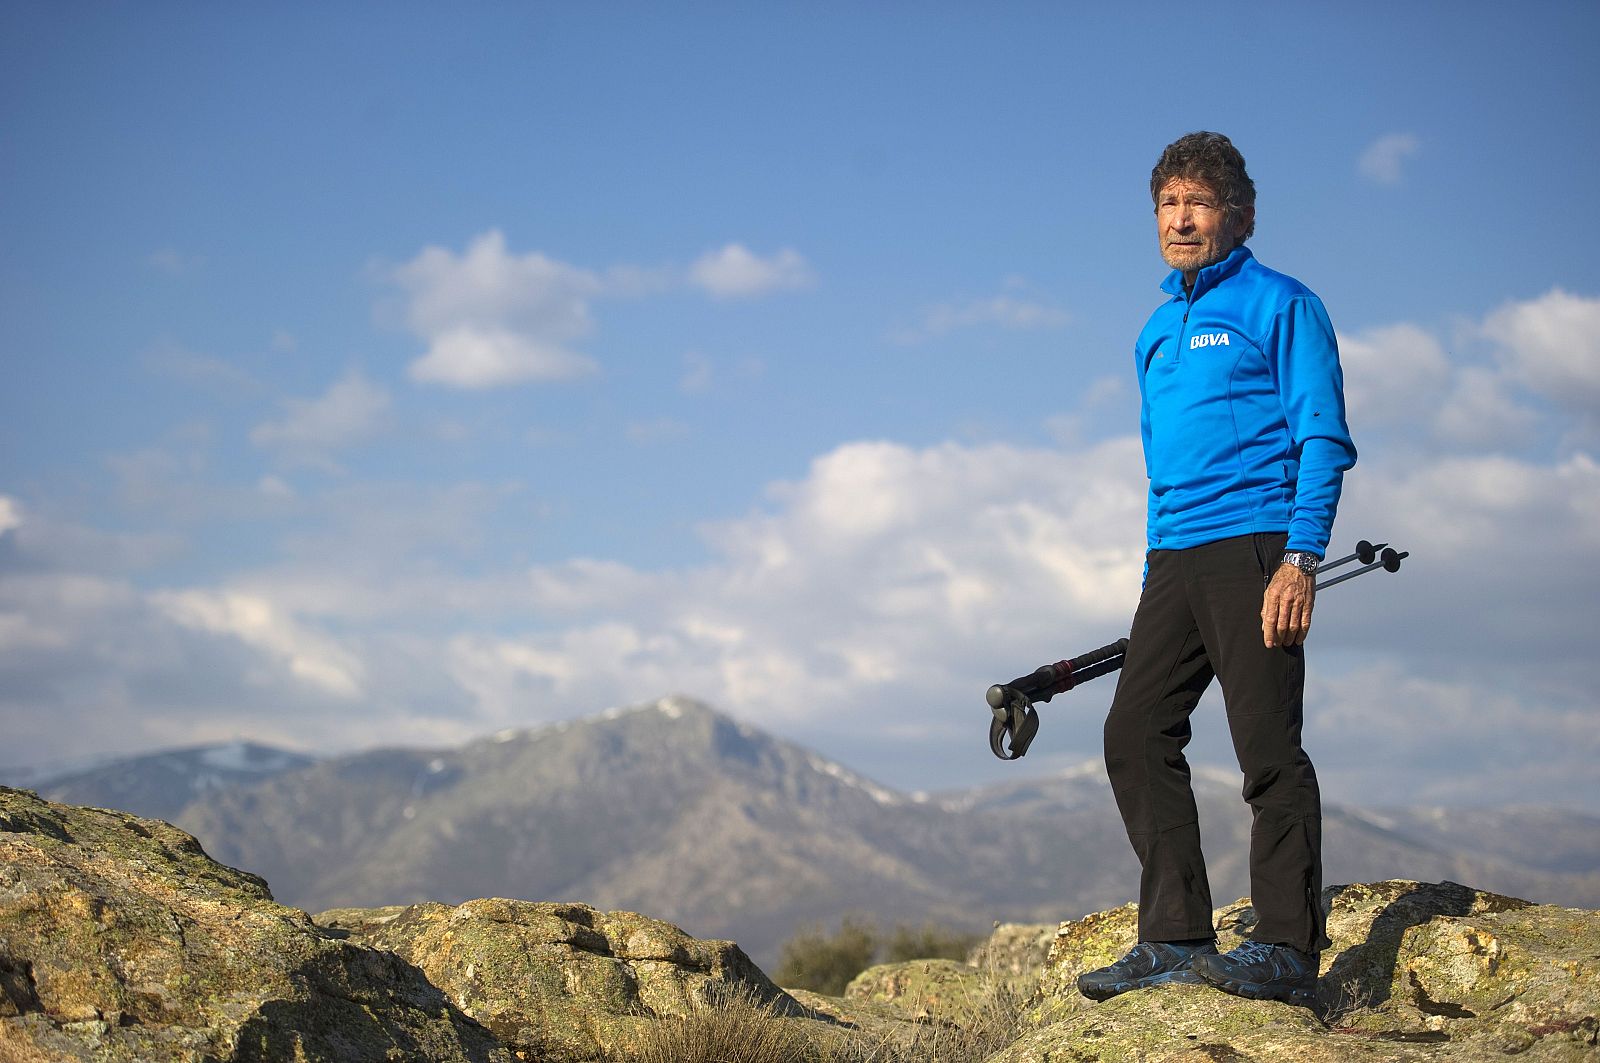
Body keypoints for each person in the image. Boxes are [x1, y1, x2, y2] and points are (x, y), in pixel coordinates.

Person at [1076, 132, 1356, 1007]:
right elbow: (1162, 459)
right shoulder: (1156, 331)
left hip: (1260, 545)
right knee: (1135, 731)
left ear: (1240, 215)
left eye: (1198, 202)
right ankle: (1172, 933)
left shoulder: (1282, 302)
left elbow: (1324, 436)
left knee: (1267, 747)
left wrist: (1301, 558)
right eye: (1167, 204)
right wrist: (1158, 557)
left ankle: (1284, 945)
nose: (1181, 218)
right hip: (1175, 556)